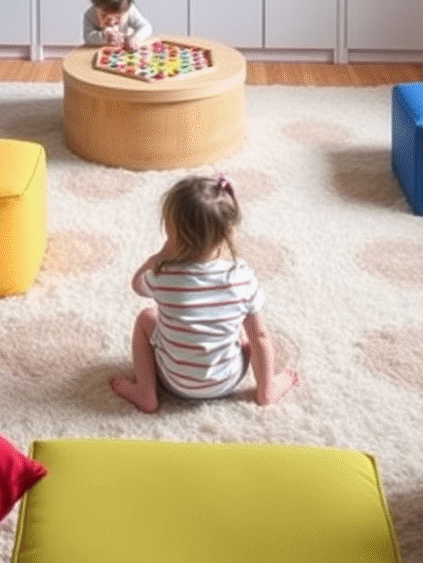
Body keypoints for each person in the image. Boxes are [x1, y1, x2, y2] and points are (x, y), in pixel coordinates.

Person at [110, 174, 297, 411]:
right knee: (249, 338)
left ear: (173, 234)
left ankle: (146, 392)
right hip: (227, 382)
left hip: (173, 381)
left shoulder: (164, 276)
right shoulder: (241, 277)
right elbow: (260, 337)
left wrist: (154, 260)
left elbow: (137, 286)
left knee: (146, 317)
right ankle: (266, 390)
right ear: (228, 233)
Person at [82, 0, 152, 48]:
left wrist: (136, 38)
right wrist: (103, 36)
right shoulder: (90, 15)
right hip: (99, 53)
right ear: (95, 6)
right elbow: (87, 37)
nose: (111, 22)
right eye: (104, 15)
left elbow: (146, 27)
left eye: (118, 17)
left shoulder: (129, 11)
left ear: (127, 9)